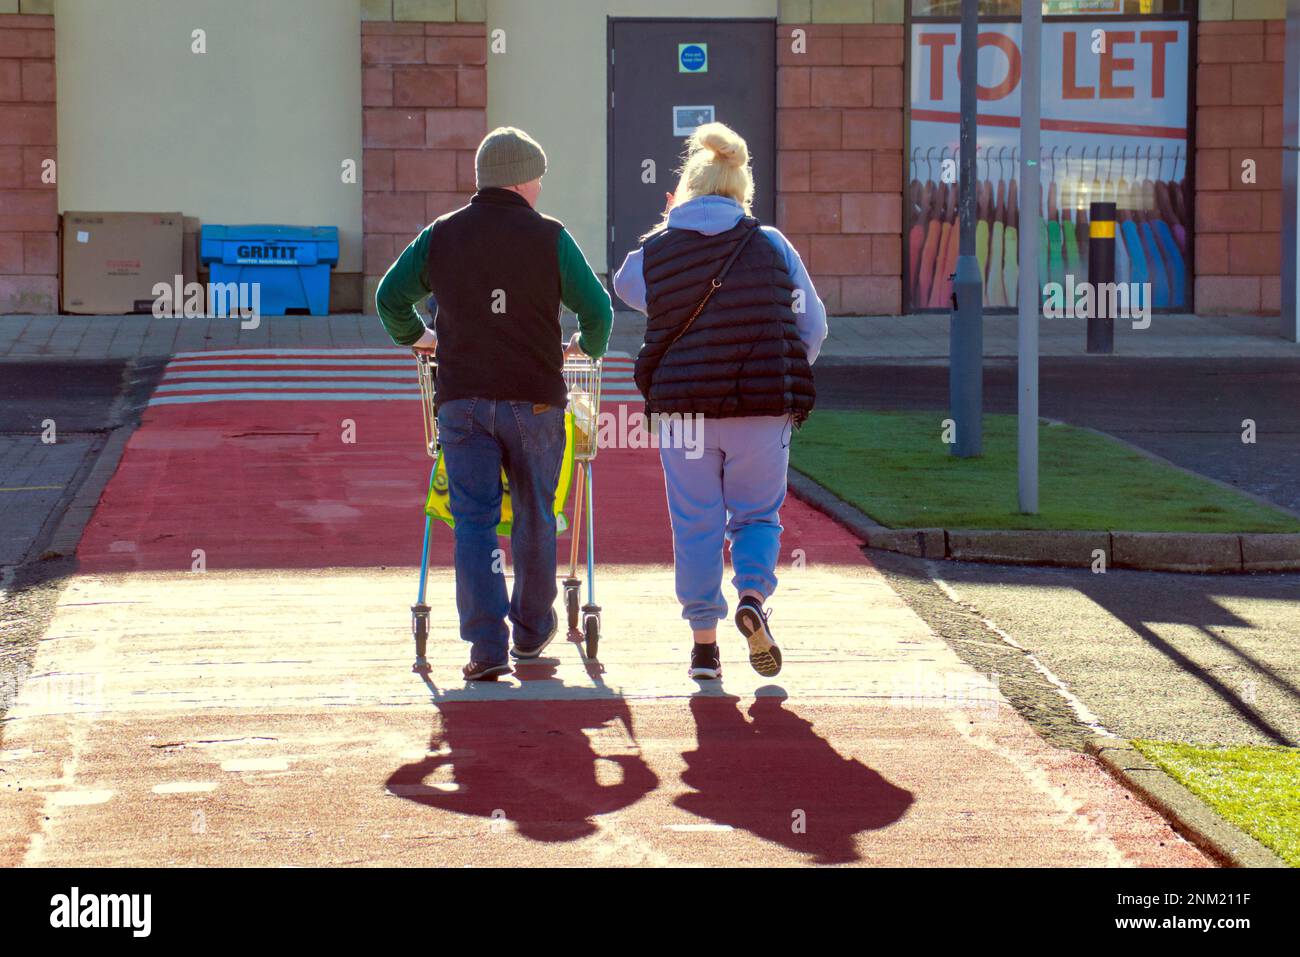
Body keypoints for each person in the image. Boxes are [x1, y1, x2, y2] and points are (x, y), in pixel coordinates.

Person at [376, 126, 612, 681]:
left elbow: (389, 297)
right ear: (526, 180)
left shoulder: (442, 235)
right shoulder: (550, 236)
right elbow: (598, 312)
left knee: (475, 521)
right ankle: (531, 634)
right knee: (534, 513)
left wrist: (419, 336)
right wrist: (584, 348)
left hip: (461, 400)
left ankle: (486, 648)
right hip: (536, 401)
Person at [612, 122, 826, 680]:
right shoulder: (772, 244)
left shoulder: (653, 253)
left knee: (695, 522)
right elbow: (815, 324)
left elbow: (629, 290)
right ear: (742, 188)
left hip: (684, 412)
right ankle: (752, 598)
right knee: (757, 514)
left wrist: (670, 225)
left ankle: (704, 646)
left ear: (685, 188)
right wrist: (779, 365)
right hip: (762, 409)